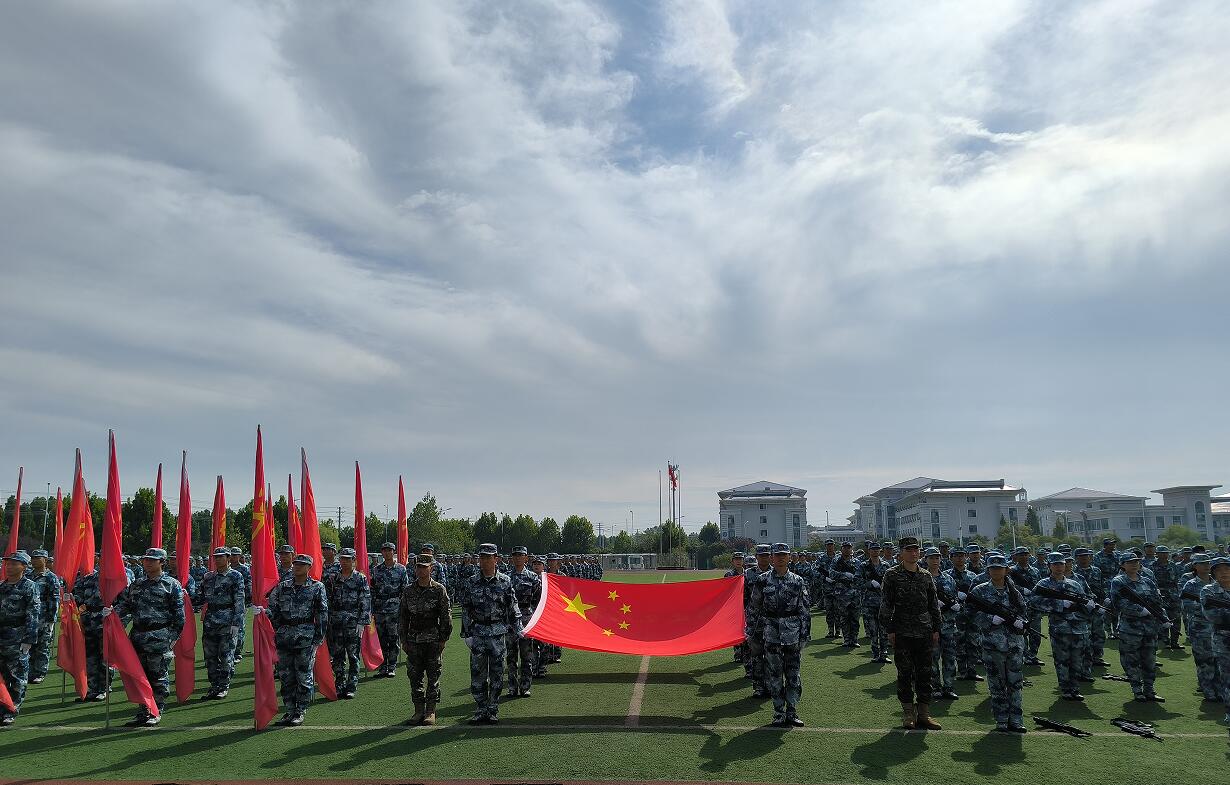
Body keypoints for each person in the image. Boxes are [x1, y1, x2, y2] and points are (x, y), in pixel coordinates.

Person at [112, 548, 186, 726]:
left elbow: (179, 616)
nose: (148, 563)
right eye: (146, 560)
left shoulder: (171, 584)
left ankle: (156, 710)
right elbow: (125, 605)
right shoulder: (137, 584)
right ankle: (143, 711)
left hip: (159, 637)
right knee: (140, 677)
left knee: (157, 676)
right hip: (138, 637)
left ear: (162, 562)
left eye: (152, 560)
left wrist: (172, 638)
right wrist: (111, 614)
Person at [879, 537, 942, 730]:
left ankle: (924, 713)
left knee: (925, 673)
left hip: (924, 631)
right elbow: (886, 604)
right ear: (901, 553)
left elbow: (933, 604)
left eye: (916, 550)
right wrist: (889, 629)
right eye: (909, 550)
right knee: (905, 674)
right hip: (902, 630)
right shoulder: (892, 575)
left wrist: (936, 628)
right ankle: (908, 713)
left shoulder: (926, 575)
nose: (914, 553)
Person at [459, 542, 522, 724]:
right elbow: (466, 609)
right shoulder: (471, 582)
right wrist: (467, 634)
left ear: (496, 559)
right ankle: (480, 709)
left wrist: (518, 628)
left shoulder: (505, 581)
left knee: (496, 673)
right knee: (477, 674)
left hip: (497, 634)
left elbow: (512, 606)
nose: (485, 561)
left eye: (489, 557)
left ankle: (492, 708)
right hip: (478, 633)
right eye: (482, 557)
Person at [264, 554, 328, 726]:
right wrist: (263, 614)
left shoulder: (317, 587)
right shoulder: (282, 586)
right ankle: (289, 710)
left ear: (309, 567)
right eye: (295, 564)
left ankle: (300, 710)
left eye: (301, 564)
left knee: (303, 676)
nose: (297, 567)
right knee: (286, 676)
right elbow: (273, 609)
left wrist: (318, 638)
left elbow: (322, 614)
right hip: (284, 637)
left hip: (305, 637)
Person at [751, 542, 810, 727]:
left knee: (793, 675)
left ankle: (791, 711)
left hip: (792, 633)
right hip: (771, 633)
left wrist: (804, 635)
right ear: (772, 558)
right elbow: (754, 608)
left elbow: (804, 609)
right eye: (777, 555)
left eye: (784, 554)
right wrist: (751, 633)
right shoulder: (762, 580)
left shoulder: (798, 581)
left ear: (789, 557)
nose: (781, 558)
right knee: (774, 674)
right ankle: (778, 712)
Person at [968, 554, 1027, 733]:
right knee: (997, 684)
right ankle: (1001, 718)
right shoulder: (979, 591)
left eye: (999, 568)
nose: (996, 571)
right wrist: (989, 619)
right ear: (988, 570)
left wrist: (1021, 622)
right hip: (992, 645)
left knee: (1015, 683)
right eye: (992, 568)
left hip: (1015, 644)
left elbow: (1023, 612)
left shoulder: (1014, 592)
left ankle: (1016, 719)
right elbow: (969, 613)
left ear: (1006, 570)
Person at [1030, 552, 1095, 701]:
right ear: (1049, 566)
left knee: (1077, 660)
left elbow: (1086, 600)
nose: (1059, 567)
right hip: (1060, 628)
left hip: (1078, 627)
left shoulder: (1075, 584)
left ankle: (1075, 688)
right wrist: (1060, 604)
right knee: (1062, 660)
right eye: (1055, 564)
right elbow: (1034, 601)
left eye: (1061, 564)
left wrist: (1089, 605)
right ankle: (1065, 688)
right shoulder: (1043, 584)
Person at [399, 553, 452, 725]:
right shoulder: (408, 591)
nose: (421, 570)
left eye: (424, 567)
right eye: (418, 567)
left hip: (432, 639)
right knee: (414, 676)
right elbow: (403, 617)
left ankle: (430, 711)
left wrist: (443, 639)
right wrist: (403, 640)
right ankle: (418, 710)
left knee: (433, 676)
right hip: (413, 640)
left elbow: (446, 616)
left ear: (431, 568)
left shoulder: (439, 590)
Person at [1109, 551, 1167, 702]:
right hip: (1130, 628)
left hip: (1150, 627)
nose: (1134, 564)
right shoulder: (1118, 581)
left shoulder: (1148, 581)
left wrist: (1163, 617)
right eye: (1130, 562)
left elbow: (1157, 602)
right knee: (1131, 660)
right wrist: (1140, 610)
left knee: (1149, 660)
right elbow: (1118, 603)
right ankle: (1136, 689)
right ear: (1122, 565)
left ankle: (1149, 689)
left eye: (1136, 561)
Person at [198, 546, 246, 699]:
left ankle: (223, 686)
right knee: (210, 656)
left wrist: (236, 624)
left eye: (221, 556)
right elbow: (200, 597)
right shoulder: (208, 577)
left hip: (228, 620)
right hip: (210, 621)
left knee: (226, 656)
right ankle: (214, 685)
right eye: (216, 557)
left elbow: (239, 601)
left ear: (228, 558)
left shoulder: (235, 576)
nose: (217, 559)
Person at [0, 551, 41, 726]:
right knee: (2, 677)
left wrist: (28, 640)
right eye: (8, 563)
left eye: (14, 564)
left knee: (16, 676)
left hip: (17, 638)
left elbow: (33, 613)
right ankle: (3, 707)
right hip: (1, 637)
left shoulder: (29, 586)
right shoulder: (2, 586)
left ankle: (11, 710)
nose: (9, 566)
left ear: (24, 566)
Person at [326, 548, 371, 699]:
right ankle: (339, 684)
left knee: (353, 655)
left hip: (353, 623)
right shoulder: (333, 578)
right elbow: (327, 600)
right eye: (342, 559)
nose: (344, 562)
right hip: (336, 623)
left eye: (348, 559)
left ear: (354, 560)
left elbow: (365, 600)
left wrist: (362, 622)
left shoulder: (360, 578)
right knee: (337, 656)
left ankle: (351, 686)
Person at [1181, 554, 1218, 702]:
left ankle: (1218, 688)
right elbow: (1187, 606)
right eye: (1202, 563)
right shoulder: (1190, 585)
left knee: (1218, 660)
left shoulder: (1217, 583)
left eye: (1208, 563)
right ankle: (1207, 689)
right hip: (1199, 628)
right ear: (1195, 566)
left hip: (1217, 628)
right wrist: (1210, 609)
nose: (1206, 566)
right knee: (1204, 661)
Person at [506, 545, 541, 698]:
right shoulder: (506, 577)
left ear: (526, 558)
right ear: (512, 558)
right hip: (510, 622)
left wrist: (532, 617)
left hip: (527, 619)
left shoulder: (533, 577)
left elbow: (538, 600)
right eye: (515, 555)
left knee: (526, 656)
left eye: (521, 555)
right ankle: (512, 687)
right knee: (511, 656)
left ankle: (525, 686)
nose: (518, 558)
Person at [370, 543, 409, 678]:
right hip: (380, 608)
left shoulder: (401, 569)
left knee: (393, 638)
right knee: (381, 639)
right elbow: (373, 589)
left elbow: (405, 589)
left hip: (394, 608)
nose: (387, 553)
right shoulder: (376, 570)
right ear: (382, 552)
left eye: (389, 550)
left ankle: (391, 666)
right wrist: (372, 608)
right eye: (385, 550)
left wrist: (403, 608)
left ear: (394, 552)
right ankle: (382, 667)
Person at [926, 547, 959, 700]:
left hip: (949, 625)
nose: (935, 561)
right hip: (930, 626)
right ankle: (935, 687)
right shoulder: (922, 578)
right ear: (926, 560)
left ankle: (949, 687)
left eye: (937, 558)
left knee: (950, 658)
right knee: (932, 658)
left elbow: (955, 598)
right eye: (931, 558)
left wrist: (954, 605)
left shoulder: (948, 579)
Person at [1201, 557, 1230, 725]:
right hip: (1224, 641)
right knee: (1227, 677)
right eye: (1219, 570)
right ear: (1213, 573)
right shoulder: (1208, 591)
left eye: (1227, 569)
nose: (1224, 573)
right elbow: (1213, 616)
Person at [26, 549, 60, 684]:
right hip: (29, 618)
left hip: (43, 618)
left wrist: (51, 620)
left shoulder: (51, 577)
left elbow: (54, 599)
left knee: (42, 647)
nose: (34, 560)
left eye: (37, 558)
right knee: (29, 645)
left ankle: (40, 672)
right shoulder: (27, 575)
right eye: (33, 558)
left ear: (45, 560)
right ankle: (29, 671)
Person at [1073, 547, 1110, 667]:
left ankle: (1097, 657)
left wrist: (1105, 599)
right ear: (1076, 558)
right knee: (1085, 634)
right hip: (1082, 608)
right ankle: (1085, 658)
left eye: (1086, 556)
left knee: (1099, 633)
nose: (1085, 558)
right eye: (1081, 556)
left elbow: (1102, 585)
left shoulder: (1096, 571)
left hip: (1097, 606)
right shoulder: (1073, 572)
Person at [743, 544, 771, 697]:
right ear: (756, 557)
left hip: (773, 622)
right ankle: (758, 687)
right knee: (756, 655)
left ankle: (771, 685)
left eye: (767, 555)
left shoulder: (776, 573)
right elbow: (742, 598)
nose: (764, 558)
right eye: (761, 556)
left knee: (772, 656)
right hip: (754, 622)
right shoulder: (748, 574)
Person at [1008, 546, 1044, 666]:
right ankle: (1024, 655)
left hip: (1035, 606)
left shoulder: (1035, 571)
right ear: (1016, 556)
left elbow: (1040, 586)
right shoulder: (1011, 571)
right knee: (1021, 632)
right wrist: (1022, 589)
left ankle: (1032, 656)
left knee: (1036, 633)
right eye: (1021, 555)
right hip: (1019, 607)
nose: (1024, 557)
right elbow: (1009, 586)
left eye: (1025, 554)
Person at [860, 542, 889, 663]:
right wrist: (869, 584)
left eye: (877, 549)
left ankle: (884, 654)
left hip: (883, 602)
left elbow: (891, 582)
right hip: (869, 603)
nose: (875, 551)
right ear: (869, 551)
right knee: (873, 630)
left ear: (880, 550)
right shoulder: (863, 566)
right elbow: (856, 581)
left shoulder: (886, 565)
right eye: (873, 549)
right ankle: (875, 654)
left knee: (884, 630)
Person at [1151, 546, 1183, 649]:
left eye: (1166, 553)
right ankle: (1165, 642)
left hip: (1173, 595)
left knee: (1176, 618)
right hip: (1160, 594)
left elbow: (1177, 579)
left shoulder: (1173, 565)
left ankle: (1175, 642)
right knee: (1162, 618)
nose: (1164, 555)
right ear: (1157, 554)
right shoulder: (1152, 565)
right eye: (1162, 553)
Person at [830, 542, 861, 648]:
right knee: (844, 617)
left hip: (855, 593)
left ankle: (854, 639)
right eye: (845, 548)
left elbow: (861, 575)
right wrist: (843, 575)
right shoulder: (836, 561)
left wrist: (854, 576)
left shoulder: (857, 562)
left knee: (855, 617)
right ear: (841, 549)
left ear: (852, 549)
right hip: (842, 593)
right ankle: (847, 639)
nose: (847, 549)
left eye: (849, 548)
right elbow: (831, 574)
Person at [227, 547, 252, 663]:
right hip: (227, 602)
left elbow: (248, 585)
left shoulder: (244, 569)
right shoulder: (226, 568)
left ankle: (237, 652)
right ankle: (227, 651)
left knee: (239, 627)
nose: (233, 557)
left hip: (240, 602)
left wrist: (245, 601)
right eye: (232, 555)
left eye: (236, 555)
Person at [724, 552, 746, 663]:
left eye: (740, 559)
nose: (738, 561)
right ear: (732, 561)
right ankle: (738, 654)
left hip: (747, 605)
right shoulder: (729, 575)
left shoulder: (748, 573)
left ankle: (747, 654)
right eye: (736, 559)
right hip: (734, 606)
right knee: (736, 631)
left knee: (747, 630)